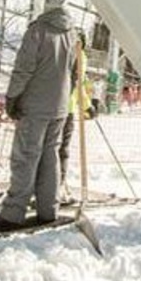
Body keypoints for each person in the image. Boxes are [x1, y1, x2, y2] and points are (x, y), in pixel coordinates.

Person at [0, 0, 77, 232]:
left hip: (35, 105)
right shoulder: (72, 33)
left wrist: (13, 96)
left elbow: (24, 68)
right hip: (59, 107)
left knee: (25, 156)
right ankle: (48, 209)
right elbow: (74, 72)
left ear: (46, 6)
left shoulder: (37, 30)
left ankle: (13, 212)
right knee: (51, 156)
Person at [59, 32, 92, 202]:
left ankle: (44, 188)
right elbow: (77, 84)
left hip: (48, 107)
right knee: (61, 150)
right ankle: (58, 188)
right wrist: (87, 106)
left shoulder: (57, 50)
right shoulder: (79, 55)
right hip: (66, 109)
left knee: (47, 150)